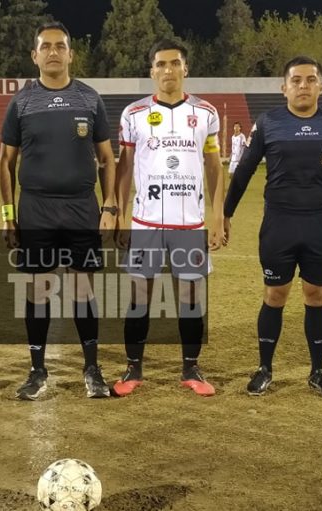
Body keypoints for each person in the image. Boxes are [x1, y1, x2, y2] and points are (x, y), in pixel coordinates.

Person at [224, 56, 322, 399]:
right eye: (296, 80)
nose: (303, 86)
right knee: (274, 295)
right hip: (279, 224)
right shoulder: (268, 123)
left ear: (321, 85)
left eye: (310, 80)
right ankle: (264, 369)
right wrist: (226, 213)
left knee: (316, 296)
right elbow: (245, 169)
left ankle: (318, 372)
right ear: (284, 88)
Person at [0, 21, 117, 400]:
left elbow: (106, 158)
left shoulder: (89, 99)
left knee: (83, 288)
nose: (53, 52)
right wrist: (8, 215)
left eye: (60, 46)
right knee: (39, 289)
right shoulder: (21, 102)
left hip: (82, 207)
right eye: (46, 46)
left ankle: (92, 369)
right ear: (34, 56)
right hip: (36, 209)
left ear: (71, 54)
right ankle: (37, 371)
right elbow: (5, 163)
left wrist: (110, 205)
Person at [112, 39, 225, 397]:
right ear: (152, 71)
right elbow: (124, 167)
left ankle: (191, 368)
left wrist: (218, 216)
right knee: (139, 296)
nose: (168, 70)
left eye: (174, 63)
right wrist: (118, 214)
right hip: (145, 222)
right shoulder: (134, 114)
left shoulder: (205, 113)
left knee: (190, 297)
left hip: (189, 223)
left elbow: (214, 166)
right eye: (160, 64)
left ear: (185, 68)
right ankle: (133, 369)